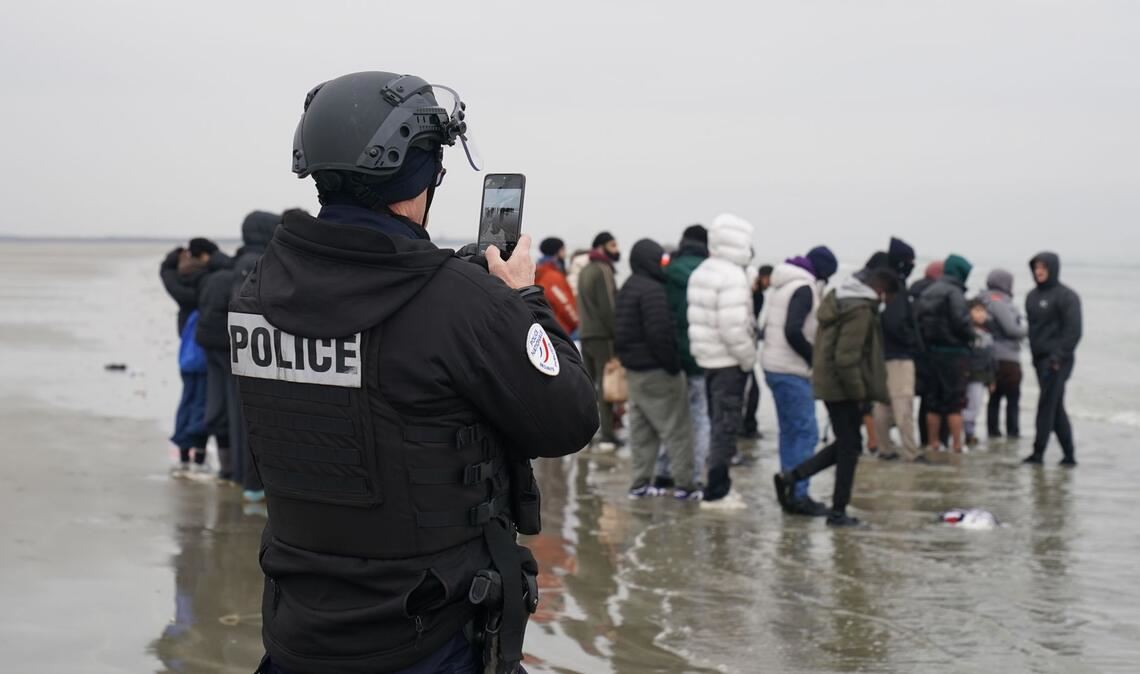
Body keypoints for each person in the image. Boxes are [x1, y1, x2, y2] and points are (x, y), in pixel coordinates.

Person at [235, 71, 598, 674]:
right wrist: (523, 300)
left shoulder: (256, 294)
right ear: (420, 173)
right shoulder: (459, 303)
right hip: (431, 632)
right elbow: (571, 417)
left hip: (299, 627)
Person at [774, 268, 899, 527]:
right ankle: (838, 511)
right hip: (843, 388)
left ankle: (792, 478)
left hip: (831, 383)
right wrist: (859, 394)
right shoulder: (860, 310)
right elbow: (847, 357)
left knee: (848, 444)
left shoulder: (841, 301)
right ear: (879, 289)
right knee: (849, 448)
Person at [195, 210, 279, 494]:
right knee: (245, 417)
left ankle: (236, 474)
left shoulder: (242, 262)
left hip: (232, 348)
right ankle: (248, 482)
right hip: (249, 353)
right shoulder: (258, 263)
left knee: (232, 412)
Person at [615, 239, 699, 500]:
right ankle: (685, 486)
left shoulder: (629, 286)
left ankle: (640, 484)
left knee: (642, 431)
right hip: (658, 370)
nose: (665, 264)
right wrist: (674, 365)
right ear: (651, 261)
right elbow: (660, 334)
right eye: (661, 259)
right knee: (677, 430)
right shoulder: (653, 290)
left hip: (634, 371)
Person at [761, 247, 836, 516]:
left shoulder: (784, 284)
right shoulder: (804, 288)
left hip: (774, 365)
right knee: (806, 432)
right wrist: (813, 358)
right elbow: (792, 330)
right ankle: (798, 493)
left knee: (790, 431)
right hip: (790, 369)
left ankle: (788, 485)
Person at [687, 213, 757, 504]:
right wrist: (748, 358)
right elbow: (734, 328)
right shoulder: (733, 277)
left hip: (708, 359)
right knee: (725, 427)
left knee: (716, 421)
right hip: (728, 361)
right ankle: (717, 490)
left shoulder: (703, 270)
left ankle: (714, 483)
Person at [660, 224, 711, 490]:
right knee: (700, 417)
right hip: (703, 356)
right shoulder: (711, 273)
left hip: (672, 357)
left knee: (671, 415)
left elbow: (661, 314)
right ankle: (694, 475)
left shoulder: (669, 272)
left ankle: (664, 470)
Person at [161, 239, 217, 476]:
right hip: (205, 352)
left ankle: (183, 456)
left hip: (186, 353)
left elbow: (166, 272)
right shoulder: (208, 280)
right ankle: (199, 456)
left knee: (186, 400)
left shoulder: (179, 281)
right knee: (203, 403)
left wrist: (171, 260)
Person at [1024, 252, 1082, 466]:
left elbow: (1074, 331)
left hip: (1058, 360)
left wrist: (1058, 356)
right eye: (1036, 267)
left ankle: (1038, 453)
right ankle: (1069, 455)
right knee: (1055, 405)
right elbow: (1032, 330)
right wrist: (1034, 357)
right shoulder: (1031, 296)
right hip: (1039, 360)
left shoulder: (1067, 296)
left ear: (1053, 269)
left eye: (1043, 267)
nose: (1039, 271)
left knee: (1047, 404)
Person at [872, 237, 924, 462]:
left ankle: (885, 449)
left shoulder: (880, 284)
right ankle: (911, 452)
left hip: (881, 355)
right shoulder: (897, 288)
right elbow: (896, 323)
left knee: (882, 405)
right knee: (903, 404)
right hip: (900, 357)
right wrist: (912, 342)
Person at [914, 254, 974, 452]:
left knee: (933, 401)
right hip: (954, 354)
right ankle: (957, 445)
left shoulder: (928, 291)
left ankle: (933, 443)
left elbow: (919, 323)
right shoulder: (954, 292)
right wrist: (971, 336)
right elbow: (961, 322)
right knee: (955, 402)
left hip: (932, 353)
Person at [192, 241, 235, 480]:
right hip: (227, 346)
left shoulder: (208, 278)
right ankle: (231, 468)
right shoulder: (234, 275)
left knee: (215, 403)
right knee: (231, 406)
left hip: (208, 343)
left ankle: (223, 467)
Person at [578, 231, 622, 449]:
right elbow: (609, 307)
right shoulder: (603, 269)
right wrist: (618, 334)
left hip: (586, 332)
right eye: (612, 245)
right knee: (606, 385)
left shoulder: (585, 269)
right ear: (601, 247)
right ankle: (607, 434)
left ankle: (585, 432)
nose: (617, 250)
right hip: (602, 335)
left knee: (589, 386)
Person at [981, 268, 1027, 439]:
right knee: (1012, 400)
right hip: (1007, 358)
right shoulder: (998, 302)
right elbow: (1012, 329)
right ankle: (1012, 435)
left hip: (991, 356)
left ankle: (993, 434)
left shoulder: (984, 300)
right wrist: (1029, 329)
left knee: (994, 399)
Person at [910, 260, 946, 448]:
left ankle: (921, 439)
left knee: (921, 399)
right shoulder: (936, 293)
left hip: (913, 353)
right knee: (932, 400)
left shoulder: (913, 291)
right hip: (931, 353)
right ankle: (932, 441)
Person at [740, 264, 774, 440]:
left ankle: (746, 428)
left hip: (746, 349)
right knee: (752, 392)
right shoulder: (752, 294)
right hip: (742, 351)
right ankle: (747, 429)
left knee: (751, 392)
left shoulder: (758, 295)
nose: (770, 284)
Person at [962, 299, 995, 447]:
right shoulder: (967, 332)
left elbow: (991, 359)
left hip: (981, 376)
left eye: (983, 311)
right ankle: (965, 433)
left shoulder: (988, 333)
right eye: (977, 311)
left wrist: (991, 379)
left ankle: (969, 433)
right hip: (969, 375)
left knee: (975, 406)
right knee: (969, 407)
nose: (981, 314)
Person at [535, 237, 580, 337]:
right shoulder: (552, 276)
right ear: (557, 252)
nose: (565, 254)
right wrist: (577, 322)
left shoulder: (539, 272)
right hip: (561, 331)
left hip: (548, 329)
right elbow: (565, 304)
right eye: (563, 250)